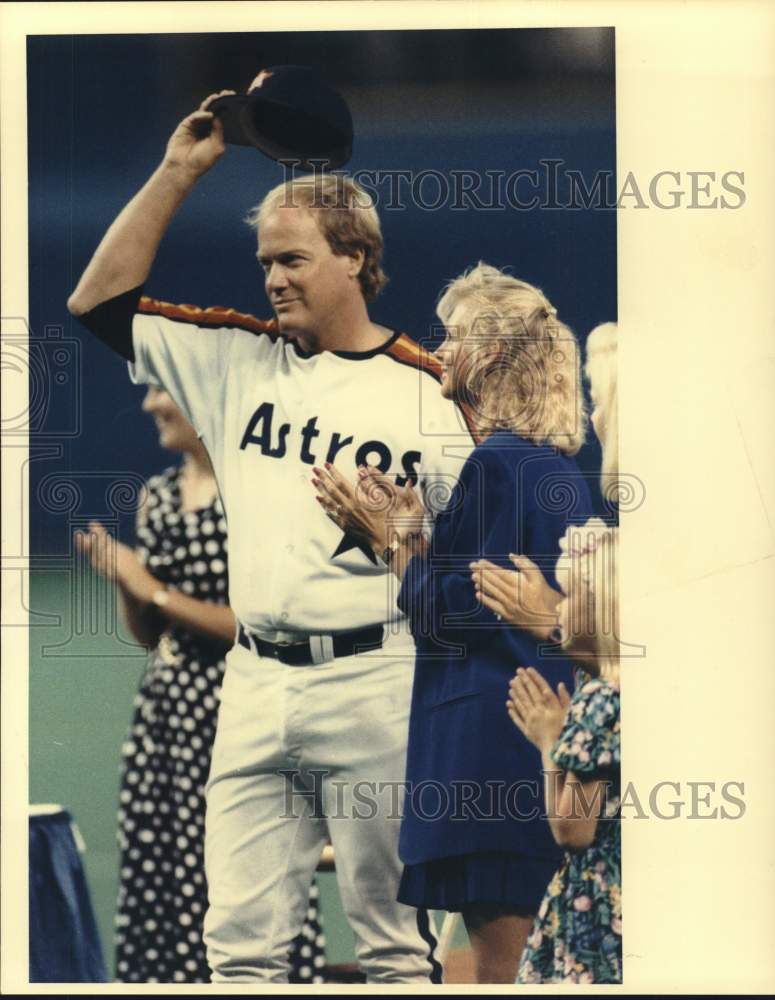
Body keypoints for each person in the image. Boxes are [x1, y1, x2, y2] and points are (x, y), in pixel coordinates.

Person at [67, 89, 473, 983]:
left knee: (396, 950)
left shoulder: (434, 394)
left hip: (377, 682)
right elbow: (97, 301)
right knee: (238, 953)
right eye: (264, 262)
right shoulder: (235, 358)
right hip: (251, 686)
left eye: (291, 259)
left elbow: (482, 573)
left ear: (356, 259)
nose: (272, 279)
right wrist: (178, 172)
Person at [312, 262, 595, 982]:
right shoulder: (553, 465)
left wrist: (392, 542)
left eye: (455, 336)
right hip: (531, 744)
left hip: (487, 751)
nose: (438, 350)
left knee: (504, 971)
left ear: (493, 353)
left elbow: (456, 616)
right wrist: (419, 536)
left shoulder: (494, 465)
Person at [75, 386, 326, 984]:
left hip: (241, 704)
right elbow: (147, 631)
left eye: (163, 390)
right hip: (168, 719)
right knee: (165, 869)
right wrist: (124, 580)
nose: (150, 406)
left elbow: (251, 623)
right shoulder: (158, 496)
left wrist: (152, 587)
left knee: (246, 869)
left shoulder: (255, 491)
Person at [474, 322, 621, 983]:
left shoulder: (596, 709)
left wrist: (548, 741)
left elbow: (570, 828)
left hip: (596, 919)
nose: (592, 411)